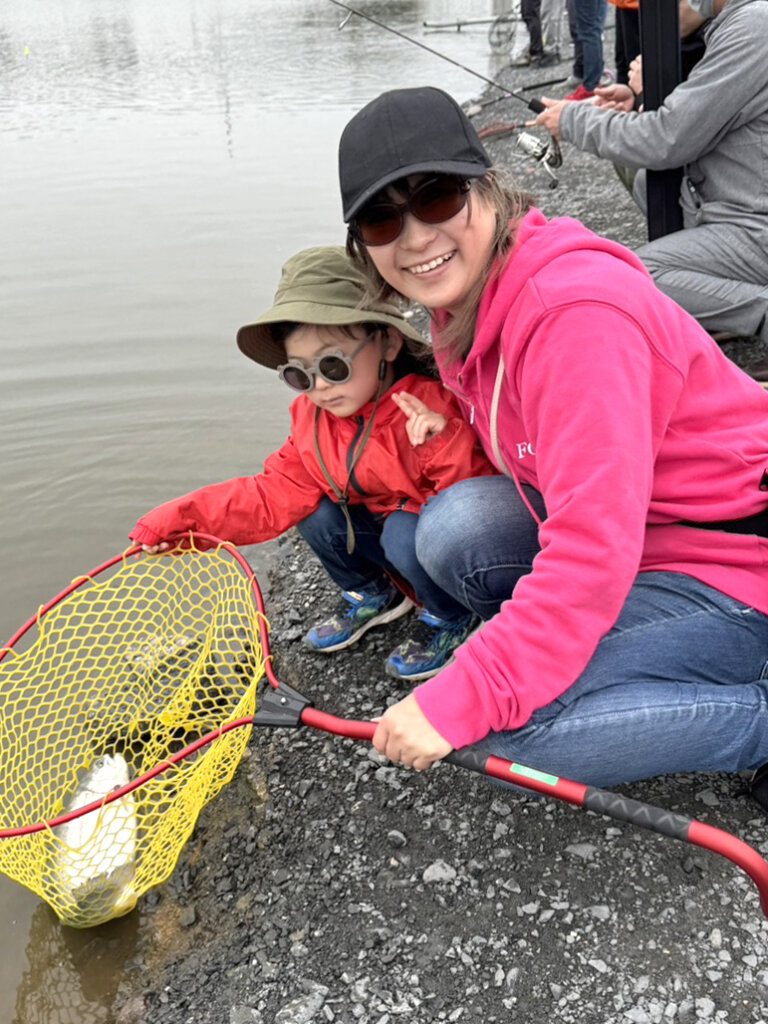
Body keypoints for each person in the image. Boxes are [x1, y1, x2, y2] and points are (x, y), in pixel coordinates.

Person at [335, 85, 768, 813]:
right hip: (649, 538)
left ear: (489, 189)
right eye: (383, 218)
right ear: (363, 244)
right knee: (453, 529)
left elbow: (590, 550)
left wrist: (468, 694)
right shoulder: (463, 306)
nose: (413, 237)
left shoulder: (575, 316)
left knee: (504, 733)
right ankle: (592, 650)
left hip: (736, 563)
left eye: (437, 198)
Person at [129, 246, 498, 681]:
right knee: (311, 508)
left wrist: (442, 443)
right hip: (378, 525)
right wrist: (182, 521)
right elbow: (268, 495)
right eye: (299, 375)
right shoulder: (311, 418)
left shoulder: (425, 407)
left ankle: (450, 613)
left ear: (388, 341)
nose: (320, 386)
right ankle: (372, 594)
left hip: (424, 533)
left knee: (403, 534)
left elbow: (472, 511)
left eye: (332, 364)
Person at [535, 0, 768, 352]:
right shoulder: (743, 21)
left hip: (755, 226)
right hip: (741, 205)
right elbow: (710, 112)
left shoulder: (754, 26)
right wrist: (638, 97)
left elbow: (668, 139)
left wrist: (571, 121)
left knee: (633, 275)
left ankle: (758, 314)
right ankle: (709, 304)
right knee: (651, 183)